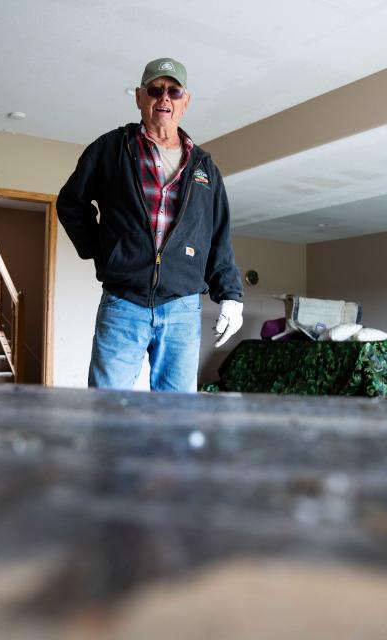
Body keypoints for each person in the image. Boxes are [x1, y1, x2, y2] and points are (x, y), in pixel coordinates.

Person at [57, 57, 244, 392]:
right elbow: (72, 202)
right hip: (123, 303)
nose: (165, 98)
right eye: (156, 90)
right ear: (139, 97)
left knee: (176, 417)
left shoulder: (204, 167)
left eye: (174, 91)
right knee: (107, 407)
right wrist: (101, 251)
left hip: (182, 307)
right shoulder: (111, 149)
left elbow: (218, 234)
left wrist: (230, 295)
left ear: (186, 101)